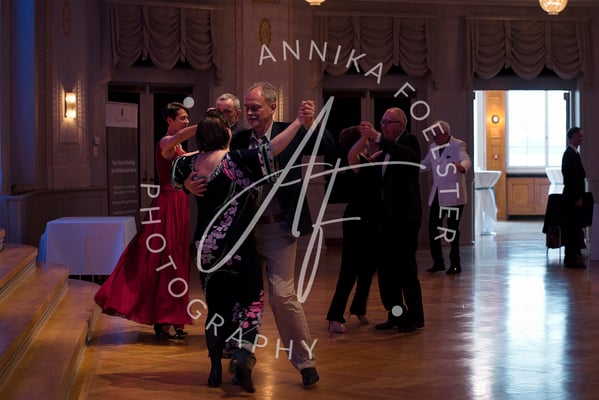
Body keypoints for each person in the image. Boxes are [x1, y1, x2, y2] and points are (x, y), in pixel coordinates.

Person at [172, 105, 313, 393]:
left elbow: (170, 167)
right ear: (224, 135)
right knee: (251, 301)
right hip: (237, 245)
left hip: (206, 248)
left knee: (216, 308)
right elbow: (272, 149)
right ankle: (243, 356)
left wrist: (185, 186)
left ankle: (215, 370)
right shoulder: (233, 160)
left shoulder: (187, 163)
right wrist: (299, 122)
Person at [227, 82, 335, 386]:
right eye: (247, 108)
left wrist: (310, 123)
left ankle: (305, 363)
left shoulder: (292, 130)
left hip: (280, 228)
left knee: (283, 296)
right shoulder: (240, 140)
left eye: (255, 107)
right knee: (245, 298)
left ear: (273, 107)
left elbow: (327, 147)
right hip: (246, 231)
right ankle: (242, 359)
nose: (250, 113)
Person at [94, 102, 206, 339]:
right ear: (169, 120)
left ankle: (173, 318)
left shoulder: (178, 147)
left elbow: (191, 156)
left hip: (179, 202)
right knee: (165, 259)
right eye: (182, 118)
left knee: (177, 259)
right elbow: (181, 139)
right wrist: (206, 125)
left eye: (188, 118)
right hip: (167, 204)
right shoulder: (166, 142)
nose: (186, 121)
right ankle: (164, 319)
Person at [359, 107, 425, 333]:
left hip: (406, 218)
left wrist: (378, 138)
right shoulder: (386, 149)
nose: (384, 125)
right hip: (386, 219)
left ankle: (416, 317)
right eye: (382, 122)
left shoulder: (409, 142)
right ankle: (397, 315)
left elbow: (408, 158)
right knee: (386, 272)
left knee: (406, 269)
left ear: (401, 125)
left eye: (389, 122)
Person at [326, 126, 379, 333]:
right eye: (364, 139)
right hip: (357, 220)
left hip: (371, 218)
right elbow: (352, 155)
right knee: (349, 269)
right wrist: (365, 135)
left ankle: (359, 307)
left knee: (369, 266)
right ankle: (335, 316)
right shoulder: (354, 160)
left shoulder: (366, 159)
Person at [421, 120, 471, 275]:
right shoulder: (433, 147)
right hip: (437, 194)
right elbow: (426, 164)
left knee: (452, 230)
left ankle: (455, 264)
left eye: (435, 135)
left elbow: (466, 159)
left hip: (454, 195)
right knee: (433, 228)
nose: (433, 138)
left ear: (445, 134)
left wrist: (461, 167)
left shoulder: (458, 144)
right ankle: (438, 262)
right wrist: (410, 168)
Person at [561, 126, 587, 269]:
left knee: (574, 229)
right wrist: (577, 197)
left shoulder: (574, 153)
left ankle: (574, 257)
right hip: (572, 199)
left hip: (573, 197)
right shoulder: (569, 154)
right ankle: (571, 259)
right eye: (580, 136)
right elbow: (570, 178)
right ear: (573, 137)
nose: (582, 139)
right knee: (572, 229)